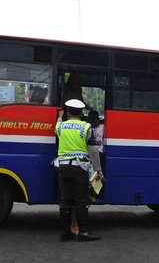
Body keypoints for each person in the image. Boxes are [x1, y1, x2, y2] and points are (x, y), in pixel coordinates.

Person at [55, 99, 102, 242]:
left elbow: (57, 123)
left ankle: (65, 233)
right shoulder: (86, 127)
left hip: (63, 167)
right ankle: (83, 233)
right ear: (81, 113)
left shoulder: (61, 127)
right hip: (80, 168)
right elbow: (93, 150)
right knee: (81, 200)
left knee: (65, 199)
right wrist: (98, 169)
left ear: (68, 112)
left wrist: (60, 115)